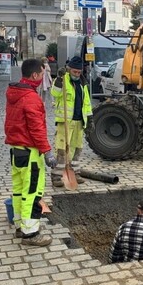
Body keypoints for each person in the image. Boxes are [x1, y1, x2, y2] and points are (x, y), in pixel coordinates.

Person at [4, 58, 57, 247]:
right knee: (33, 192)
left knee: (18, 191)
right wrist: (47, 151)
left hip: (16, 150)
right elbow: (37, 129)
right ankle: (31, 233)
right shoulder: (31, 98)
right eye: (42, 74)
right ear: (35, 75)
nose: (44, 78)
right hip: (30, 153)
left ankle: (20, 226)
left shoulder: (15, 93)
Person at [50, 56, 92, 187]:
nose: (77, 74)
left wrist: (90, 119)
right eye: (75, 72)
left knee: (76, 148)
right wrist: (58, 78)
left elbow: (87, 102)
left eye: (79, 72)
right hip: (65, 121)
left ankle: (74, 172)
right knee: (62, 149)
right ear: (69, 70)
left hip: (79, 121)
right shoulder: (63, 80)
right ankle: (57, 175)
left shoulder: (83, 83)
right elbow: (54, 93)